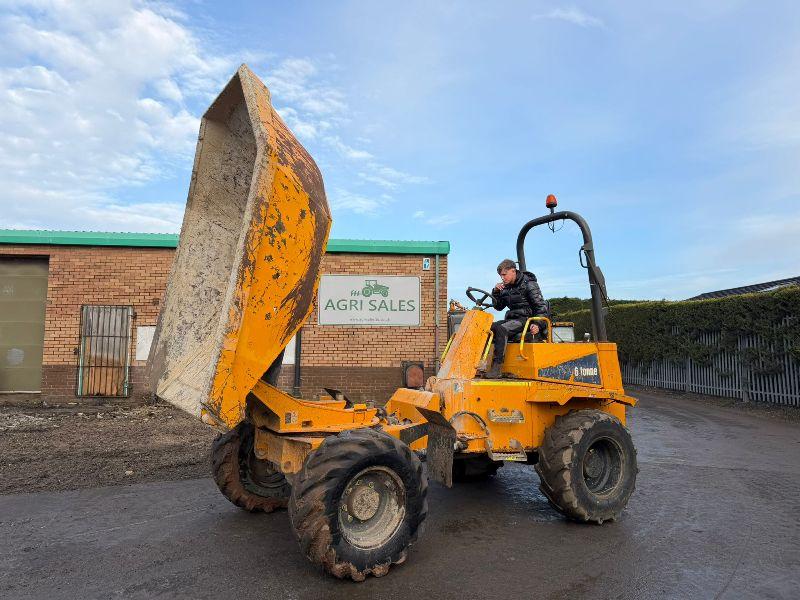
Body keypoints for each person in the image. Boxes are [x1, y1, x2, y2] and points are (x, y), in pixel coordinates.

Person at [484, 259, 549, 378]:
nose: (502, 278)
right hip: (513, 318)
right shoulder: (506, 287)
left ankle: (496, 368)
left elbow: (541, 306)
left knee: (501, 329)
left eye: (504, 274)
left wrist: (538, 324)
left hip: (527, 319)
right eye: (500, 275)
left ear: (513, 271)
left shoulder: (529, 284)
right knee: (488, 327)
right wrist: (496, 292)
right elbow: (498, 307)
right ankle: (483, 364)